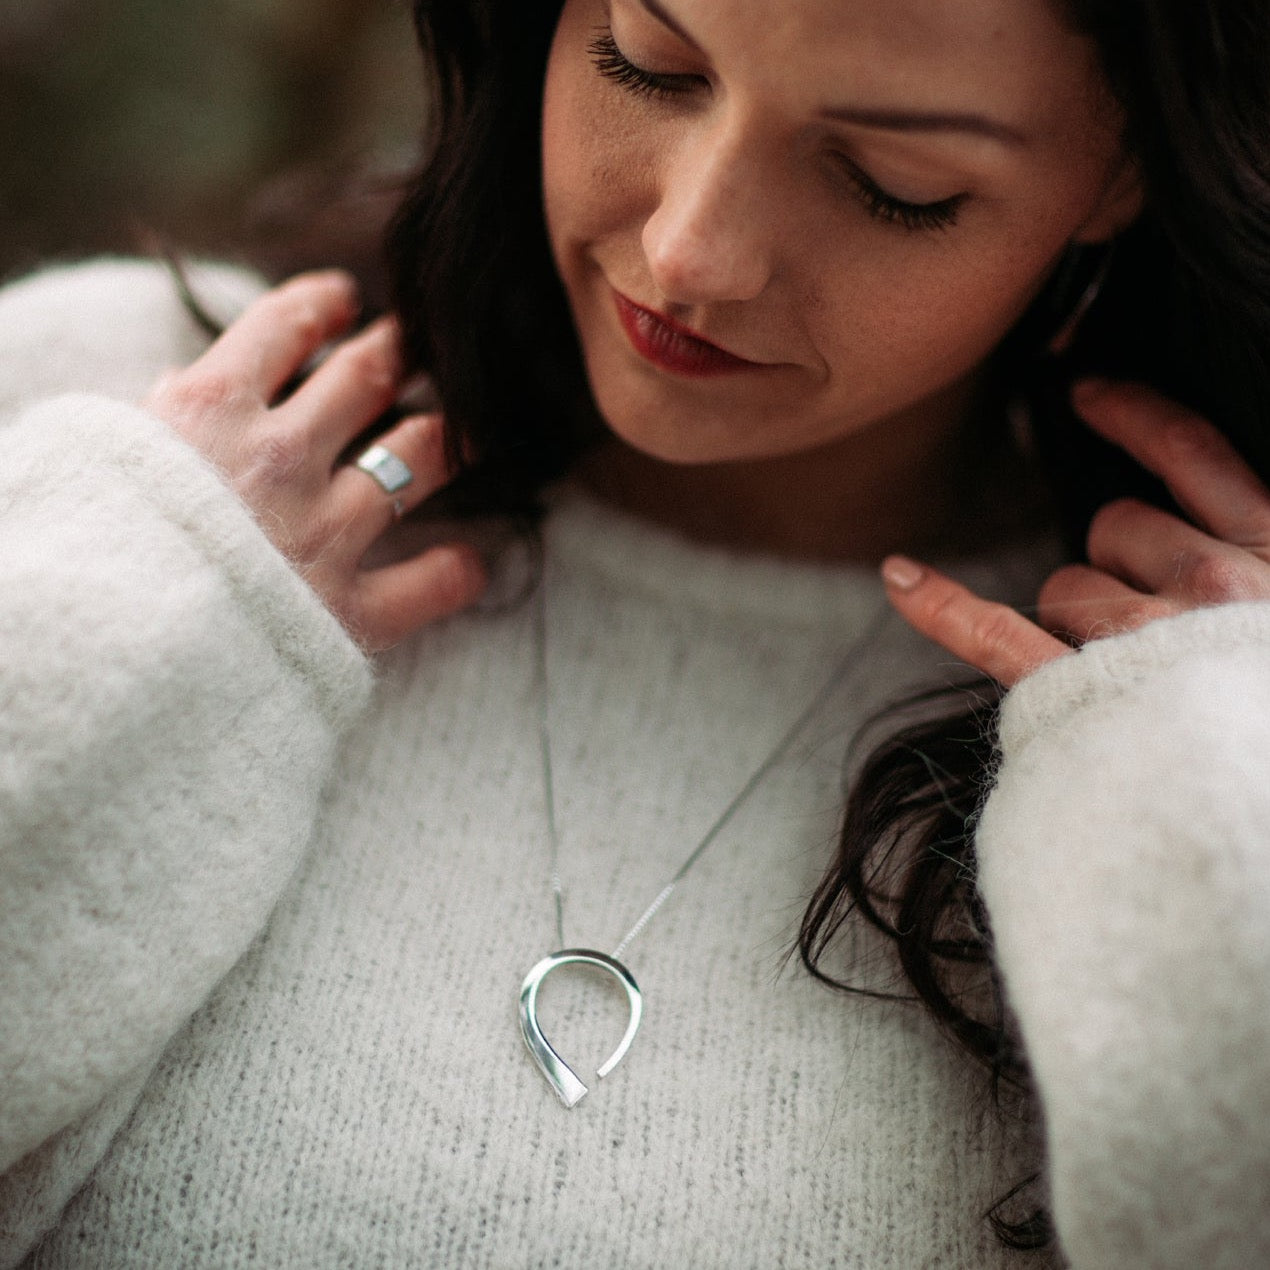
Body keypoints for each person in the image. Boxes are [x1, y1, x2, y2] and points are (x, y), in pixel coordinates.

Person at [2, 0, 1269, 1265]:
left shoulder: (1205, 709)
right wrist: (136, 607)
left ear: (1126, 169)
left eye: (895, 183)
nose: (689, 248)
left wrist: (1223, 766)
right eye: (647, 64)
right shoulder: (107, 410)